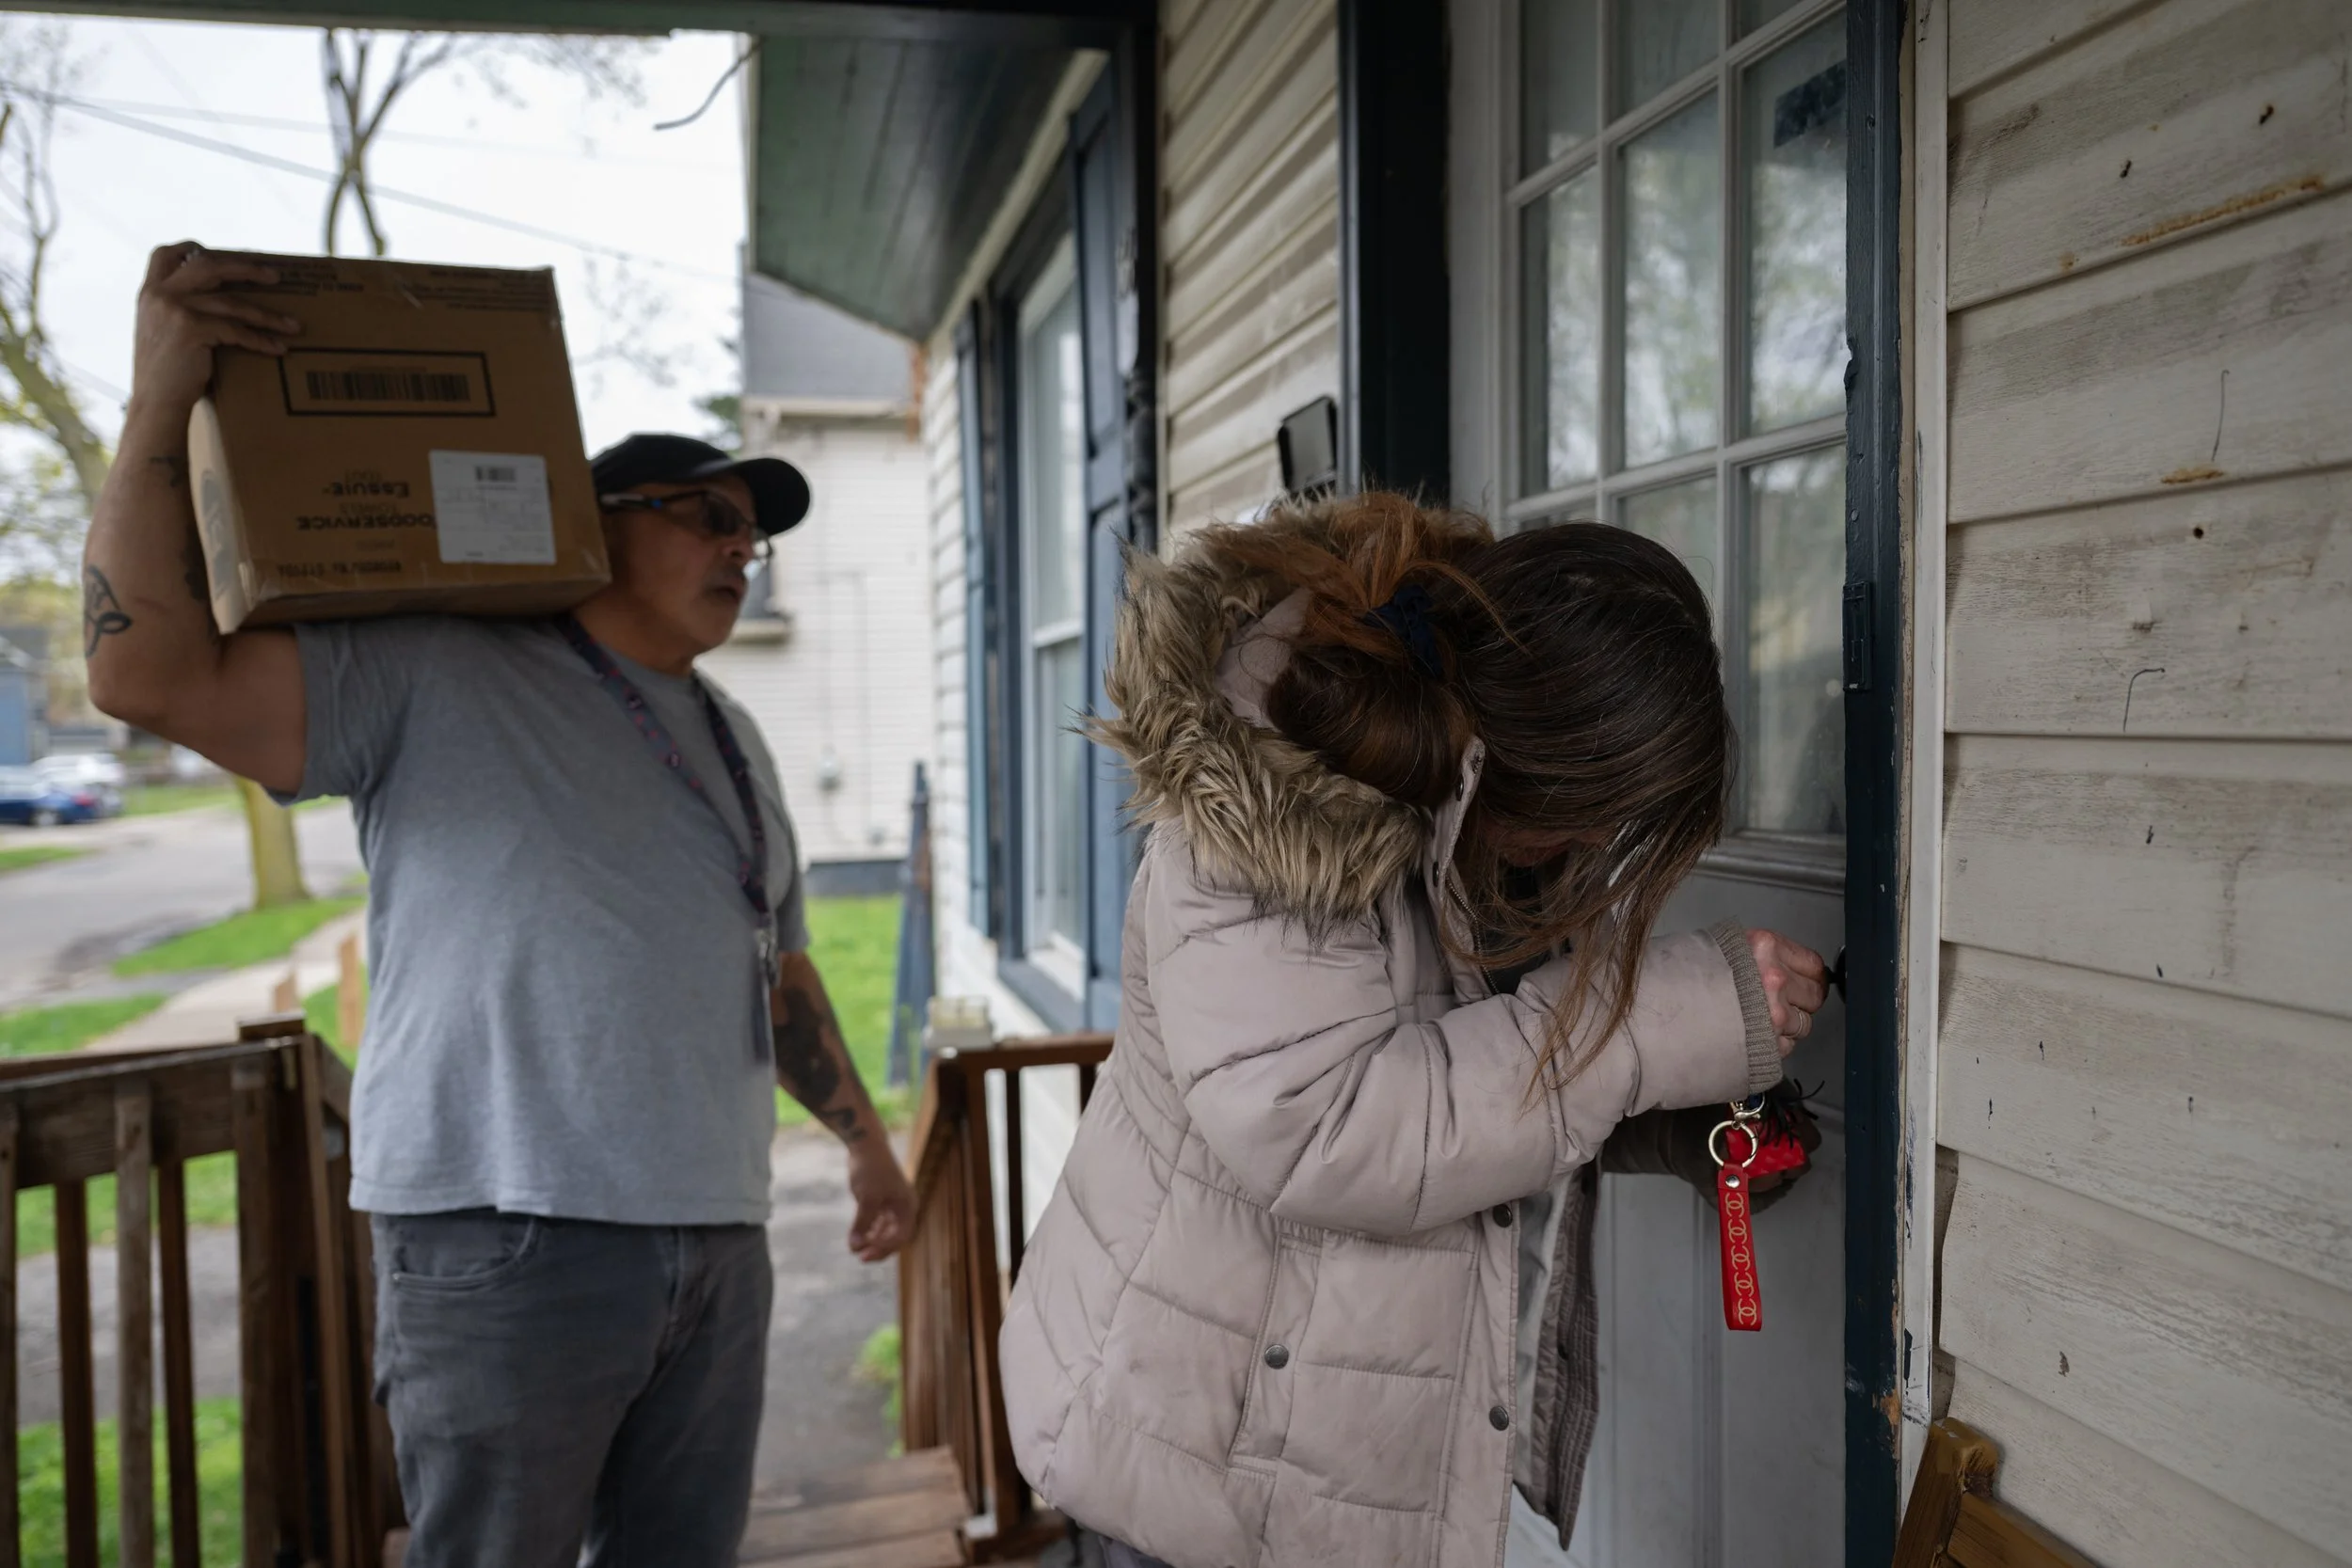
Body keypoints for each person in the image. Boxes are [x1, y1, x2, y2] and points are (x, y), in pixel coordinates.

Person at [82, 242, 916, 1568]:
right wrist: (153, 402)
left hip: (719, 1235)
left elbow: (776, 962)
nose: (738, 543)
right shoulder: (435, 666)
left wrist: (864, 1141)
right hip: (506, 1234)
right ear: (592, 525)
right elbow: (146, 676)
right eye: (701, 513)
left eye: (748, 526)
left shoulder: (738, 737)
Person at [998, 493, 1827, 1568]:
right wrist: (1660, 1021)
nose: (1589, 843)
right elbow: (1335, 1124)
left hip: (1322, 1465)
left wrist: (1667, 1116)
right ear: (1514, 752)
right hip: (1188, 1455)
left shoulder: (1476, 822)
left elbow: (1478, 1070)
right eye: (1590, 812)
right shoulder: (1275, 809)